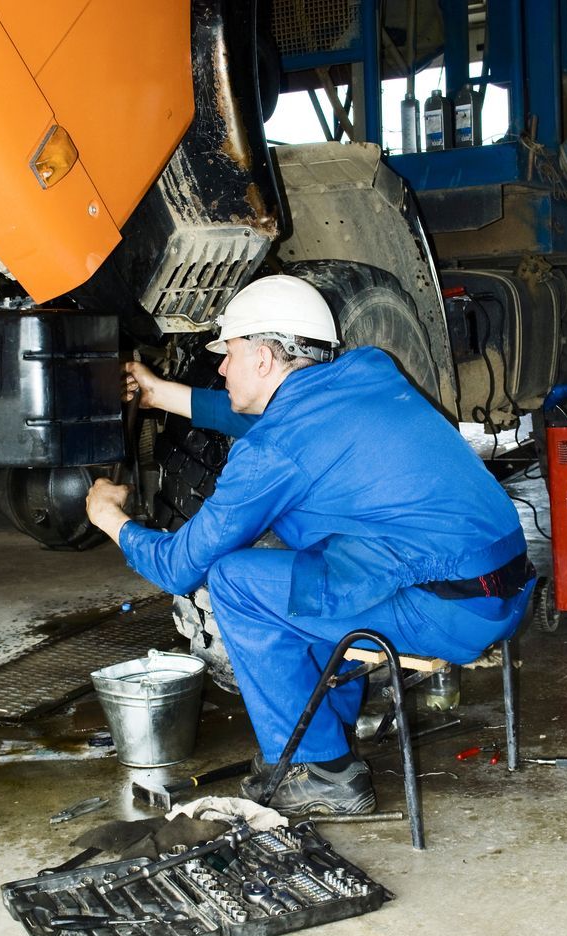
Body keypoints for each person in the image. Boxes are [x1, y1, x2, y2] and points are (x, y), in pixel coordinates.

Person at [86, 274, 535, 815]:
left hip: (451, 611)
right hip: (503, 590)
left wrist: (113, 521)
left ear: (264, 358)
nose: (222, 367)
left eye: (228, 354)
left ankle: (322, 770)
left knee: (235, 580)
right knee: (310, 572)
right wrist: (162, 394)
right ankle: (328, 734)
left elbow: (181, 566)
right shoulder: (366, 373)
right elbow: (271, 418)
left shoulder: (277, 449)